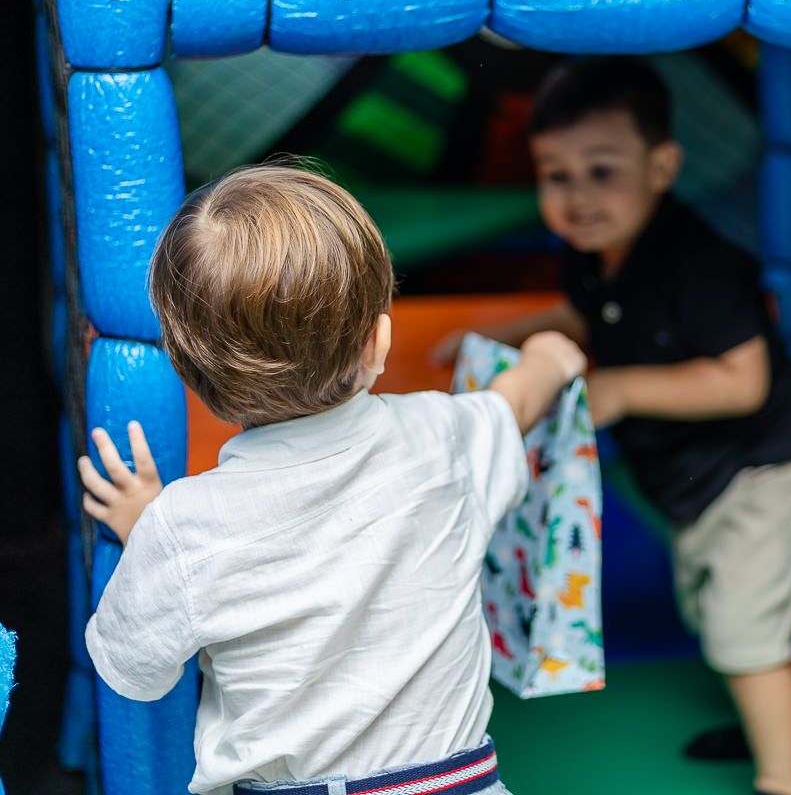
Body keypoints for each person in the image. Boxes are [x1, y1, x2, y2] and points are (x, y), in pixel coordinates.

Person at [79, 163, 585, 795]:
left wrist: (150, 535)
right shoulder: (442, 438)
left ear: (189, 373)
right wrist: (550, 357)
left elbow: (131, 668)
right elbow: (514, 404)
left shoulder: (186, 524)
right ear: (379, 343)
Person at [433, 58, 791, 795]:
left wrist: (617, 389)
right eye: (557, 175)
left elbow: (743, 380)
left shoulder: (700, 264)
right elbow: (584, 318)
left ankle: (782, 779)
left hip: (767, 473)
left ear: (662, 167)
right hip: (700, 482)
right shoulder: (595, 256)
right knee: (715, 612)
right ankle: (760, 716)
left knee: (743, 631)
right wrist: (510, 331)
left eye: (601, 171)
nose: (578, 196)